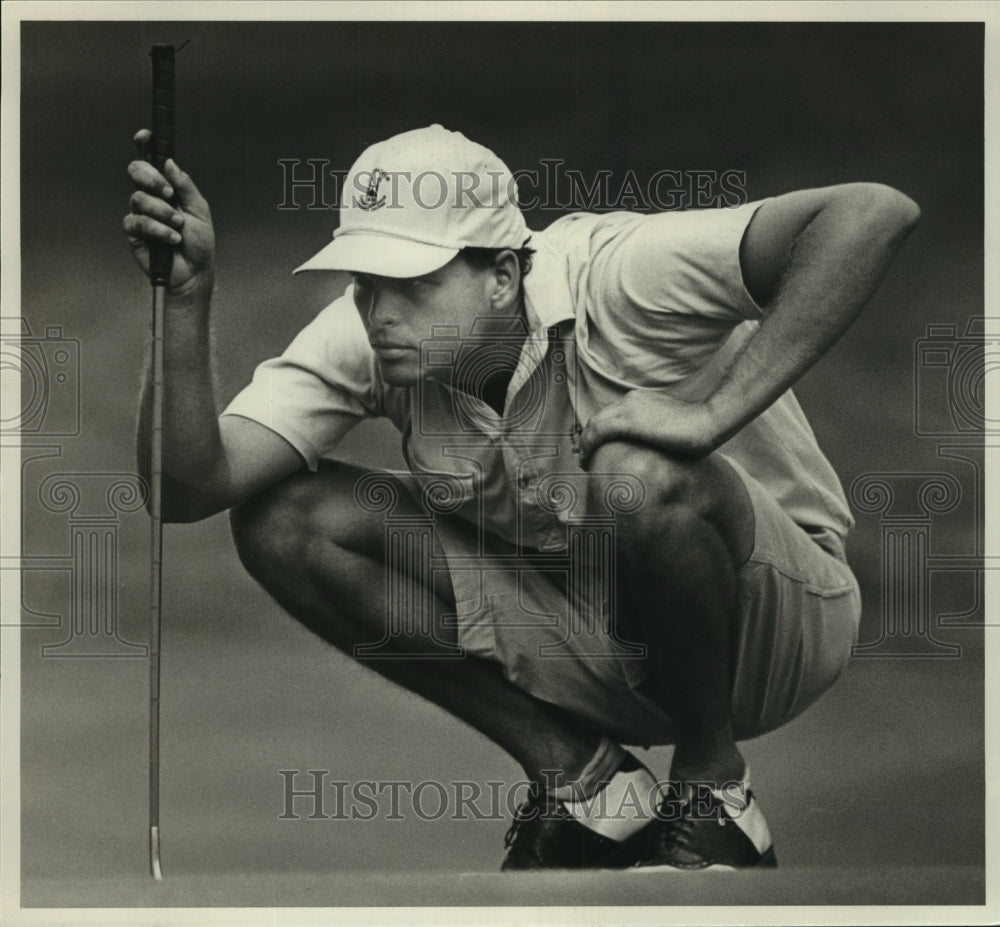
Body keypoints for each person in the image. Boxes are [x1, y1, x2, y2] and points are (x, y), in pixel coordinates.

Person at [124, 123, 920, 871]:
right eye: (367, 283)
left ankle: (716, 791)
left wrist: (714, 413)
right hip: (596, 626)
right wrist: (188, 301)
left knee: (634, 474)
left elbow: (870, 215)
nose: (379, 312)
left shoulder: (622, 273)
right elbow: (190, 487)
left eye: (411, 282)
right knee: (283, 518)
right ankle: (591, 785)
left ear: (502, 273)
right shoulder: (370, 336)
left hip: (776, 624)